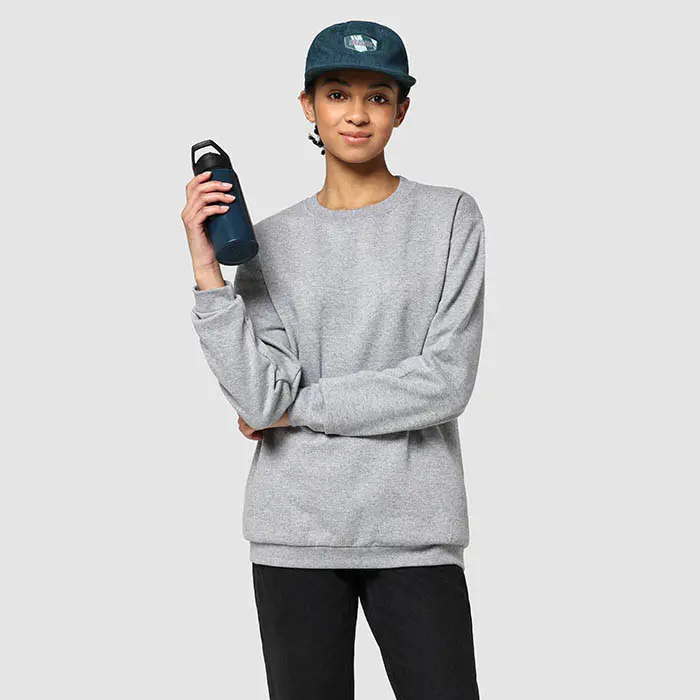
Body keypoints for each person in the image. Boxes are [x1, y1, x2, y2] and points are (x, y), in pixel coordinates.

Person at [181, 19, 485, 700]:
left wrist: (299, 408)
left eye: (378, 96)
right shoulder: (267, 242)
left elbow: (446, 380)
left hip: (415, 530)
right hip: (294, 533)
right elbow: (259, 398)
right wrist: (208, 274)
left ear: (402, 110)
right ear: (308, 106)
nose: (357, 113)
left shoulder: (451, 218)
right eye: (338, 93)